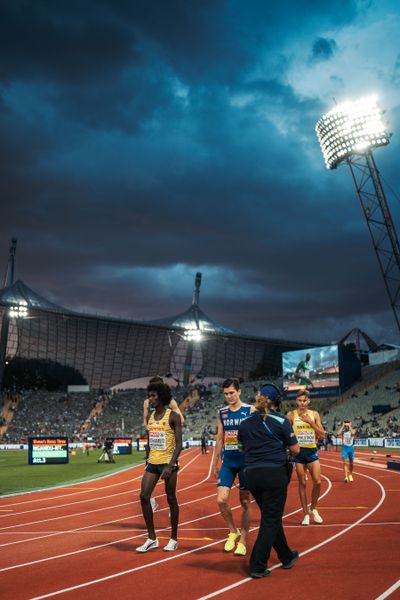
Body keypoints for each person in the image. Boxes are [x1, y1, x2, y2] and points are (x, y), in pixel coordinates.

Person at [238, 383, 300, 578]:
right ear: (276, 402)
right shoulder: (281, 421)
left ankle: (286, 556)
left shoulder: (245, 423)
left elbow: (241, 448)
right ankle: (257, 564)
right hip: (274, 473)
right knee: (271, 519)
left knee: (270, 516)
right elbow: (296, 450)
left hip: (252, 475)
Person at [136, 381, 183, 553]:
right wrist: (147, 457)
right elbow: (150, 439)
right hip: (153, 463)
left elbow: (179, 444)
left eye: (153, 396)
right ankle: (151, 538)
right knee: (143, 496)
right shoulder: (150, 417)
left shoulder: (173, 416)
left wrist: (170, 466)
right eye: (149, 396)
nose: (150, 399)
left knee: (171, 499)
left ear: (162, 397)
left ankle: (173, 538)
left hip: (168, 464)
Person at [212, 377, 253, 556]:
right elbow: (220, 437)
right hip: (228, 461)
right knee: (221, 500)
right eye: (226, 394)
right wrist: (214, 462)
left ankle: (243, 540)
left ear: (239, 392)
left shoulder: (250, 410)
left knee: (245, 502)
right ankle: (232, 531)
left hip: (245, 462)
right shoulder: (222, 412)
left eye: (232, 393)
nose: (229, 396)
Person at [143, 375, 185, 512]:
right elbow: (145, 419)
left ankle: (172, 511)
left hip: (167, 441)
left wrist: (169, 423)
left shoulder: (170, 402)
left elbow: (181, 419)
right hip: (154, 442)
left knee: (171, 495)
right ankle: (152, 499)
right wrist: (152, 427)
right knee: (145, 492)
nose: (152, 397)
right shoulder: (146, 402)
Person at [287, 389, 325, 525]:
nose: (302, 403)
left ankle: (313, 508)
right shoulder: (291, 415)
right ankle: (306, 514)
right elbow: (286, 433)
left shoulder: (314, 414)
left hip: (311, 452)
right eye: (300, 400)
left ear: (308, 401)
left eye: (304, 400)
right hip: (298, 454)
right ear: (296, 400)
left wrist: (311, 423)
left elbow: (322, 434)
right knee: (302, 483)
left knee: (318, 482)